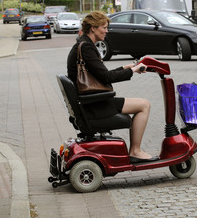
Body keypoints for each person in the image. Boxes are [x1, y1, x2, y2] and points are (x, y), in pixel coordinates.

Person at [67, 11, 158, 163]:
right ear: (94, 28)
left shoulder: (83, 45)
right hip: (95, 105)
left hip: (90, 101)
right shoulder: (86, 48)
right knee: (144, 105)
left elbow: (102, 74)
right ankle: (135, 151)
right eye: (104, 27)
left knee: (142, 104)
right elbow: (107, 78)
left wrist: (126, 67)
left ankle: (135, 150)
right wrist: (133, 70)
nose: (107, 31)